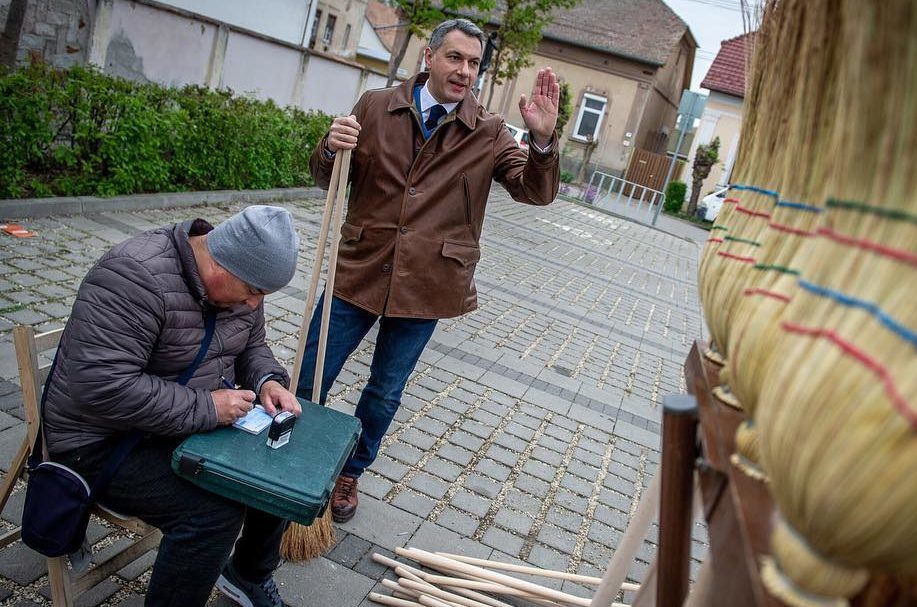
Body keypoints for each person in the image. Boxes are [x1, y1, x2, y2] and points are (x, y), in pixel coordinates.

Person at [299, 17, 561, 523]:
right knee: (312, 371)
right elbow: (325, 174)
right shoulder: (375, 106)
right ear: (429, 56)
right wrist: (330, 146)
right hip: (361, 267)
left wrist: (543, 143)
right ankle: (293, 453)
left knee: (384, 391)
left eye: (473, 64)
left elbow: (534, 190)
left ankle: (350, 471)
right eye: (455, 58)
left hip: (428, 285)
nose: (465, 71)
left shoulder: (487, 133)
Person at [43, 205, 304, 607]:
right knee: (213, 514)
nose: (255, 304)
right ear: (220, 266)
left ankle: (247, 575)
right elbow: (100, 386)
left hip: (177, 424)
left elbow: (251, 345)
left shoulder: (244, 279)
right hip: (99, 440)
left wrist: (267, 379)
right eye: (253, 292)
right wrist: (208, 408)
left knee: (278, 473)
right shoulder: (133, 276)